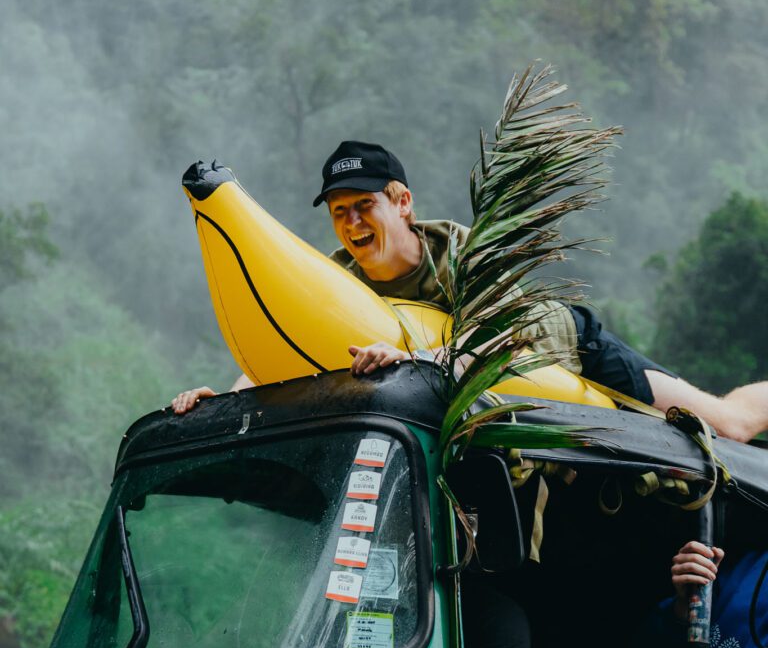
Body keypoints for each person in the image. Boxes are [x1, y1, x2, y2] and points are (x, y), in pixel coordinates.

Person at [172, 140, 768, 443]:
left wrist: (417, 359)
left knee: (728, 424)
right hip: (467, 402)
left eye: (363, 206)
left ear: (402, 203)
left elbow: (498, 341)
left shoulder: (463, 253)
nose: (351, 223)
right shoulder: (337, 278)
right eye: (338, 212)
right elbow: (286, 344)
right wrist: (224, 399)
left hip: (568, 347)